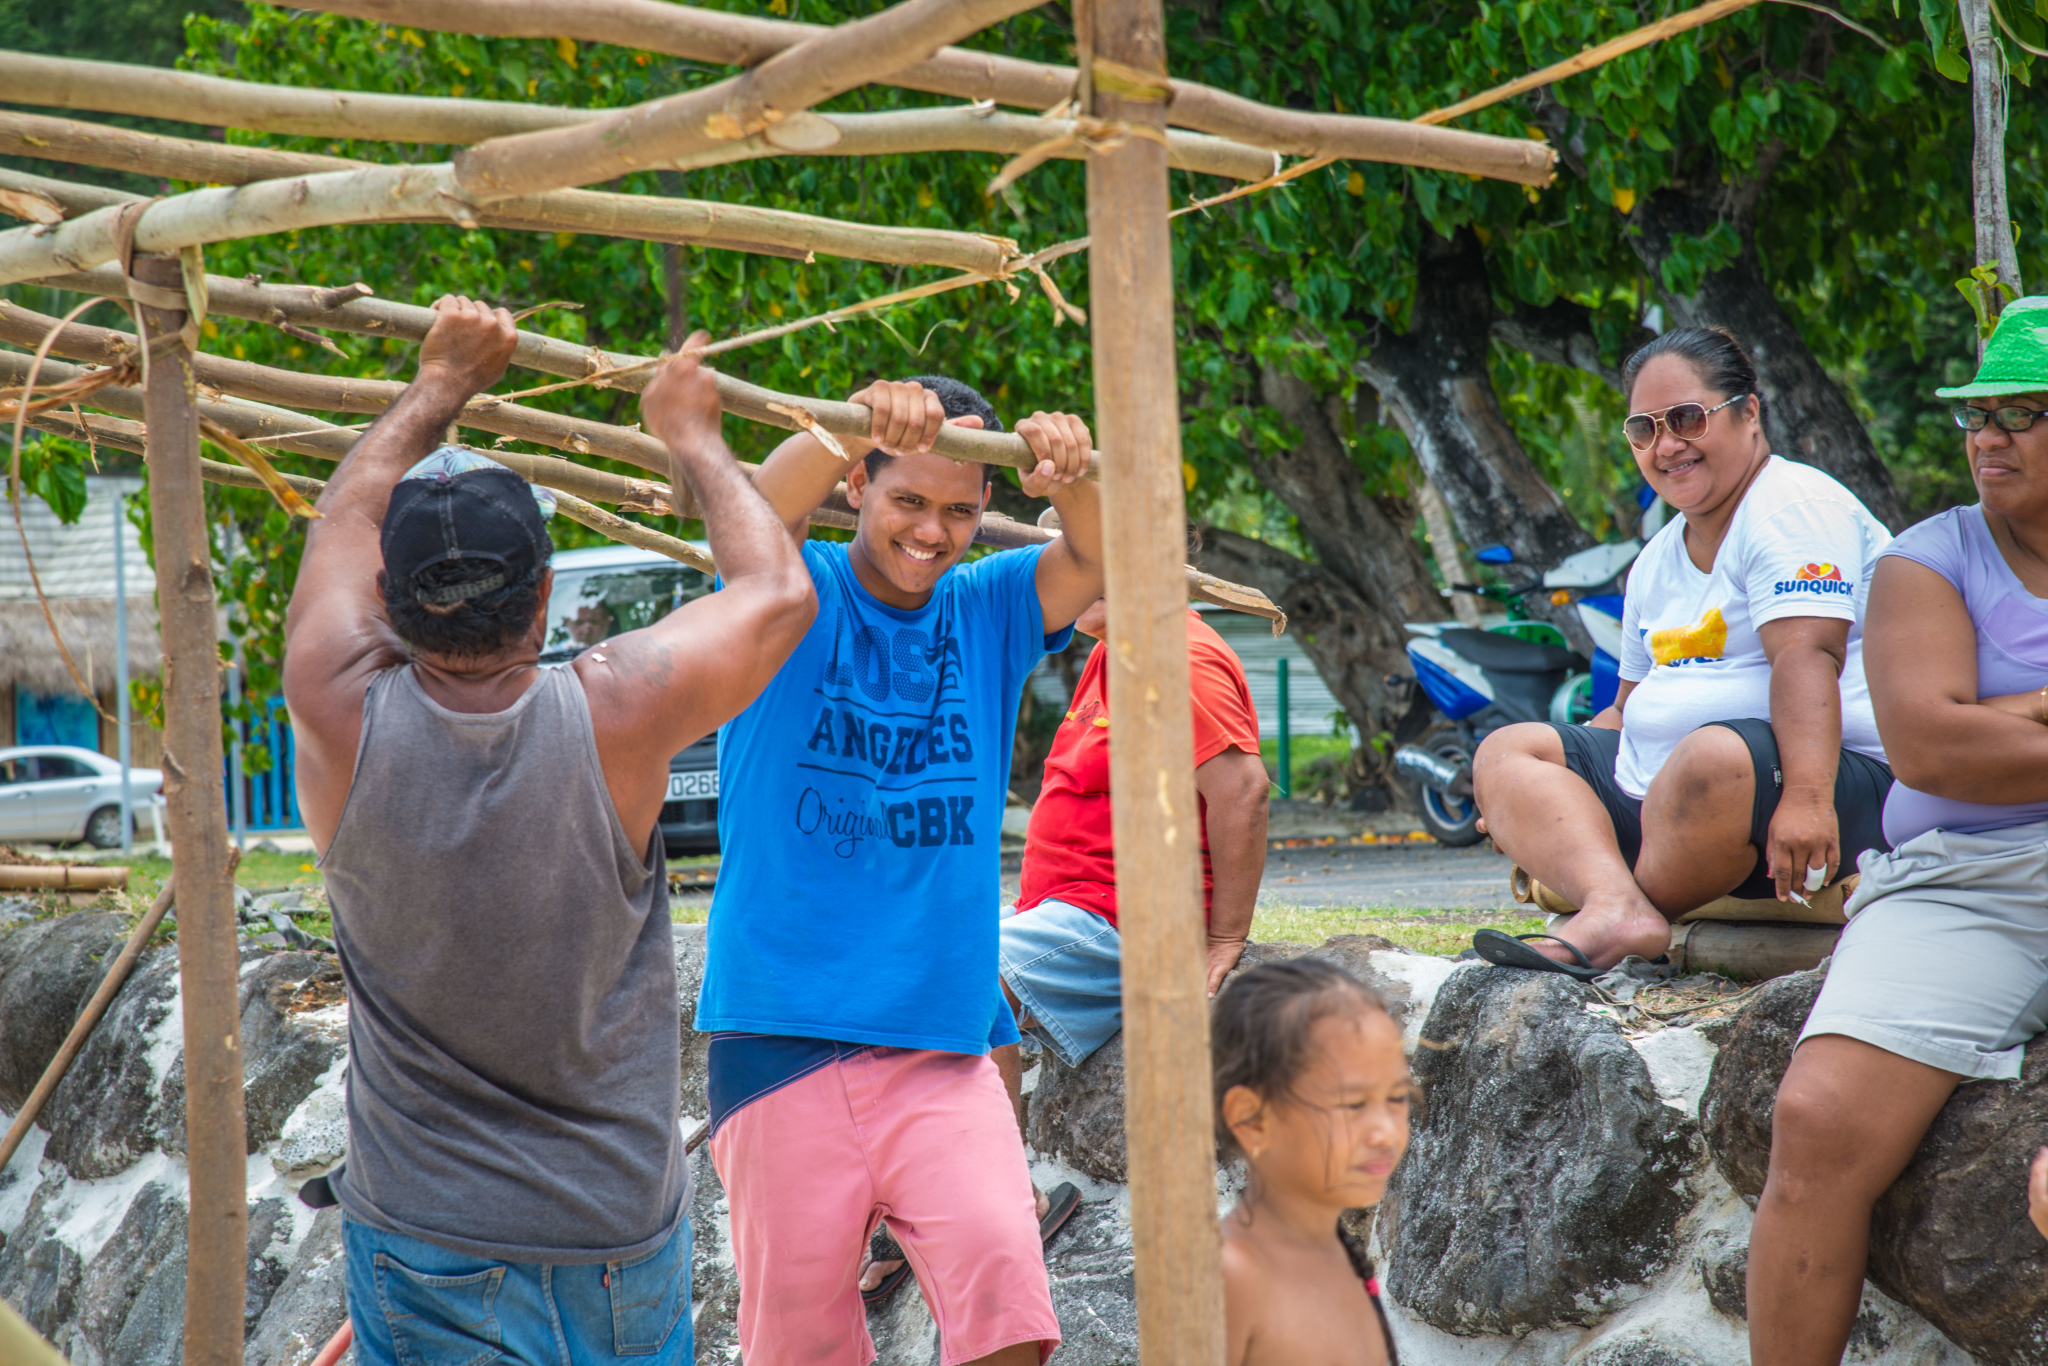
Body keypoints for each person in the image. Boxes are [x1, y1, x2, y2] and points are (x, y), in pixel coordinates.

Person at [283, 298, 815, 1366]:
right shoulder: (615, 709)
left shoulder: (334, 701)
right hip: (611, 1231)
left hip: (423, 1232)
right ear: (545, 603)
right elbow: (775, 588)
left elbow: (341, 515)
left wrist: (438, 384)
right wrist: (692, 433)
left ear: (390, 597)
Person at [695, 374, 1103, 1366]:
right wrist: (842, 423)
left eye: (961, 509)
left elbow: (1102, 552)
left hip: (939, 1046)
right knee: (799, 1344)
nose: (933, 531)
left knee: (1009, 1308)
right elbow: (751, 509)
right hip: (777, 1037)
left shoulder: (990, 609)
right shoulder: (788, 592)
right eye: (907, 500)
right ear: (855, 488)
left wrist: (1069, 466)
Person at [1745, 297, 2048, 1366]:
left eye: (2020, 413)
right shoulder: (1927, 557)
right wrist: (1971, 726)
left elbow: (1963, 729)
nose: (1985, 438)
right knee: (1816, 1120)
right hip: (1961, 878)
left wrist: (2002, 713)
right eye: (1976, 416)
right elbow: (1926, 748)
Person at [862, 594, 1270, 1300]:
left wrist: (1225, 934)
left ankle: (997, 1202)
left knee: (964, 975)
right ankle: (913, 1202)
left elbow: (1243, 790)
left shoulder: (1180, 654)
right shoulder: (1119, 642)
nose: (1058, 571)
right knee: (893, 955)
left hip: (1125, 918)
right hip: (1070, 910)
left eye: (1079, 548)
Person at [1469, 325, 1894, 976]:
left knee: (1713, 755)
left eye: (1688, 419)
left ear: (1749, 412)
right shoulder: (1657, 558)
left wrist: (1808, 799)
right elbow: (1626, 711)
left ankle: (1614, 912)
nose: (1667, 445)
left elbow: (1807, 656)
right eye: (1644, 429)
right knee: (1508, 750)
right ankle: (1618, 907)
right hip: (1672, 811)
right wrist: (1528, 802)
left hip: (1813, 792)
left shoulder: (1793, 508)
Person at [1213, 958, 1409, 1366]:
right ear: (1253, 1119)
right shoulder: (1229, 1277)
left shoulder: (1338, 1251)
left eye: (1396, 1098)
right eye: (1351, 1104)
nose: (1384, 1133)